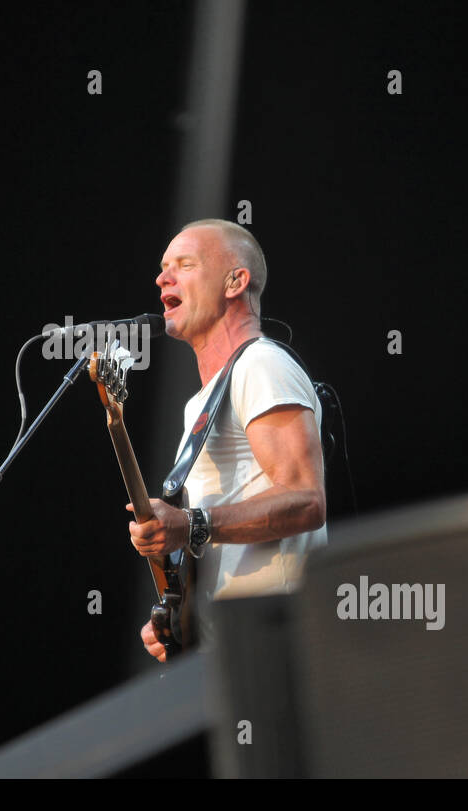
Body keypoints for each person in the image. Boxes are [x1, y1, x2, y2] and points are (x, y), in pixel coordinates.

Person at [131, 219, 328, 662]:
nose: (162, 278)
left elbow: (306, 501)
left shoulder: (260, 365)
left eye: (185, 264)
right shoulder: (200, 404)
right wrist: (182, 619)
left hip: (280, 643)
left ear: (236, 281)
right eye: (163, 268)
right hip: (235, 650)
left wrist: (192, 524)